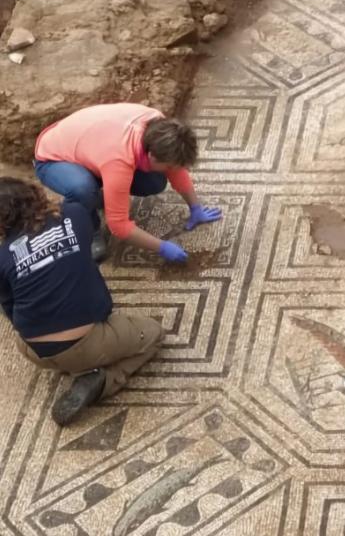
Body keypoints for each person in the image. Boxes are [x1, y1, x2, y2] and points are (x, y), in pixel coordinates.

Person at [0, 177, 164, 426]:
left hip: (33, 349)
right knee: (153, 334)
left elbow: (9, 307)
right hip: (86, 340)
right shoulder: (74, 215)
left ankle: (77, 364)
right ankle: (102, 380)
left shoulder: (2, 256)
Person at [33, 103, 222, 263]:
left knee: (154, 182)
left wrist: (195, 207)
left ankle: (102, 194)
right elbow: (119, 226)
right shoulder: (118, 161)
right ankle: (88, 226)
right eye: (169, 165)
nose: (172, 168)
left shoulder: (160, 125)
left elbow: (176, 169)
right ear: (151, 155)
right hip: (54, 158)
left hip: (91, 146)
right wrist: (162, 247)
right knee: (82, 189)